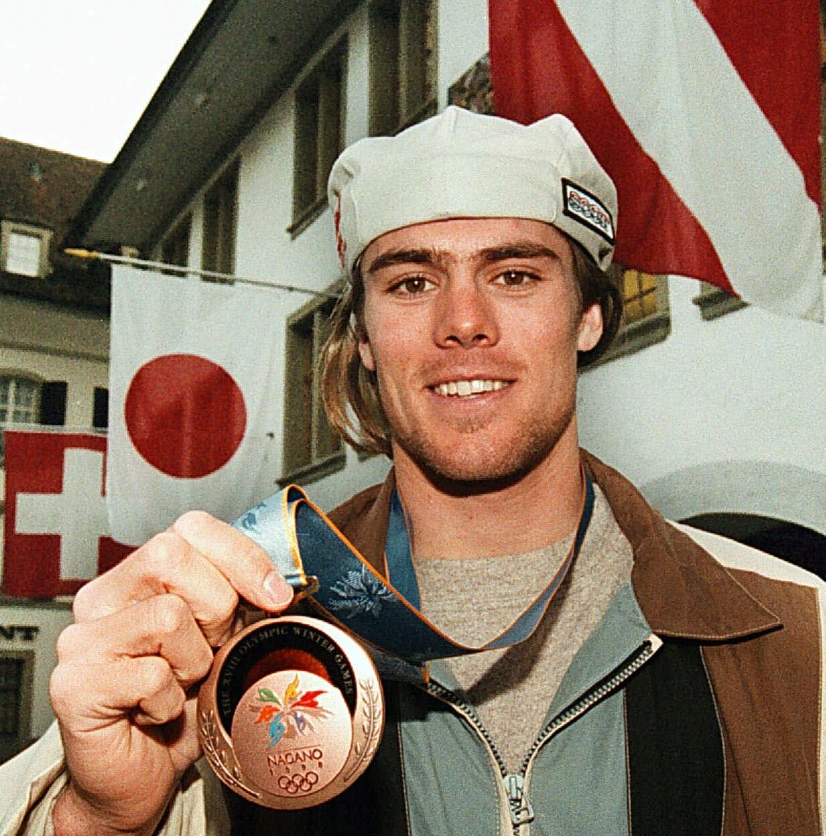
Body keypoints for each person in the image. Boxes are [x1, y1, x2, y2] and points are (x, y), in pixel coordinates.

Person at [1, 106, 823, 836]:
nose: (462, 322)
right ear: (363, 337)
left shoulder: (793, 631)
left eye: (514, 275)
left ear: (588, 316)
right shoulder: (227, 640)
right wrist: (99, 820)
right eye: (411, 282)